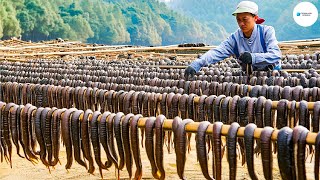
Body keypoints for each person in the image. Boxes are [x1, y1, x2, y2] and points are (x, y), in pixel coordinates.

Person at [184, 1, 282, 79]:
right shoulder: (235, 38)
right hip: (249, 77)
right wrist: (197, 64)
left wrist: (253, 58)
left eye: (245, 19)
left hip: (272, 75)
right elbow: (217, 52)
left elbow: (276, 55)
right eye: (238, 20)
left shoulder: (266, 32)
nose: (241, 23)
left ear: (255, 18)